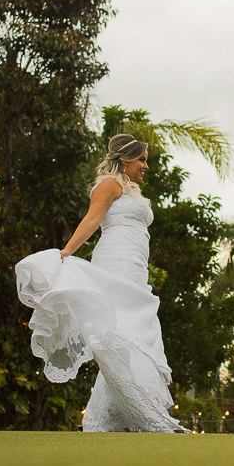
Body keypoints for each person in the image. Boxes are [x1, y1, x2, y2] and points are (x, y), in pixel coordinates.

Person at [15, 134, 187, 433]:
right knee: (119, 331)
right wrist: (67, 251)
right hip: (115, 261)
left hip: (135, 264)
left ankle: (111, 416)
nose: (146, 165)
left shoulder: (133, 190)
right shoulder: (109, 184)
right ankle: (141, 414)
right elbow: (93, 220)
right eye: (141, 160)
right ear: (125, 159)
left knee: (132, 332)